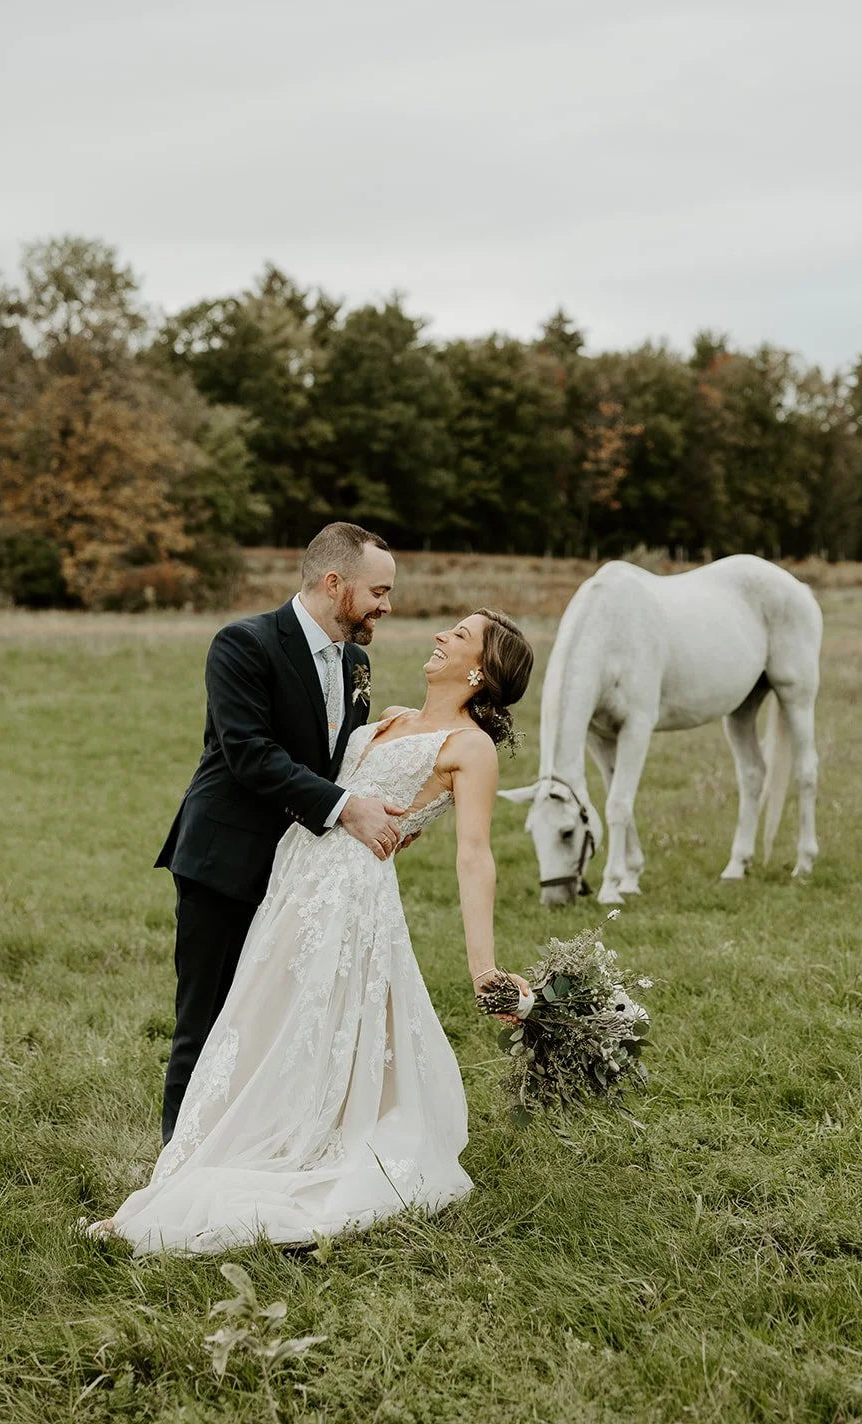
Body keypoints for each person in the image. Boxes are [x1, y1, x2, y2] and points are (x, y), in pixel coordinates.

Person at [94, 607, 534, 1252]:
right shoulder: (389, 719)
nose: (442, 635)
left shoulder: (469, 747)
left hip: (347, 896)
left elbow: (475, 856)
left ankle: (250, 1161)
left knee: (295, 1027)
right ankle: (195, 1163)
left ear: (480, 671)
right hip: (293, 875)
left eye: (459, 635)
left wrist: (482, 968)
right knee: (255, 1023)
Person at [155, 521, 405, 1144]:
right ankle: (175, 1167)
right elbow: (250, 754)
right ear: (333, 582)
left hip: (300, 872)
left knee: (269, 1020)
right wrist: (347, 808)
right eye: (378, 591)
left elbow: (335, 760)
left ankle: (245, 1146)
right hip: (225, 860)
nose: (386, 606)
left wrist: (387, 775)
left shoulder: (358, 663)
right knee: (208, 1021)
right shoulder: (243, 644)